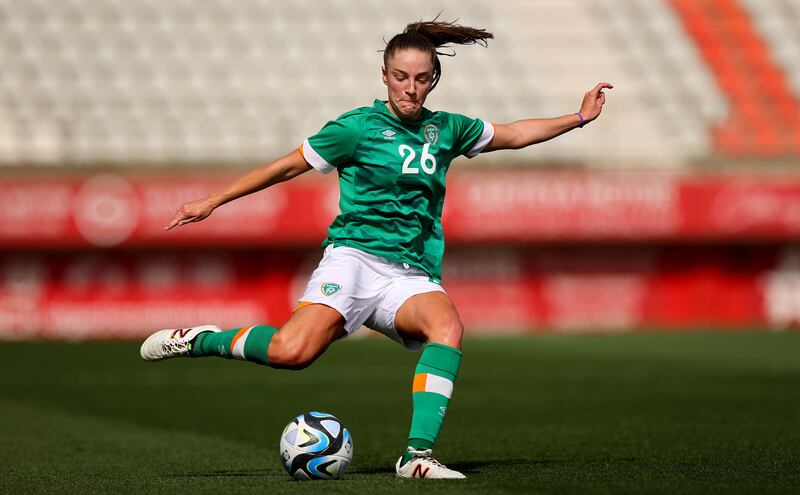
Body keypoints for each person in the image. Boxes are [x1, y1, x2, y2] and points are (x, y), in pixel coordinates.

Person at [140, 19, 612, 479]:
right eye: (401, 77)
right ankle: (200, 340)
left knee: (447, 326)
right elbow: (287, 167)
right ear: (384, 75)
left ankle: (416, 457)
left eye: (421, 79)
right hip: (353, 259)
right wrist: (214, 200)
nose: (410, 88)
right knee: (291, 352)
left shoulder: (447, 129)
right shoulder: (356, 128)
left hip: (409, 274)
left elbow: (513, 134)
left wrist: (578, 118)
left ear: (434, 80)